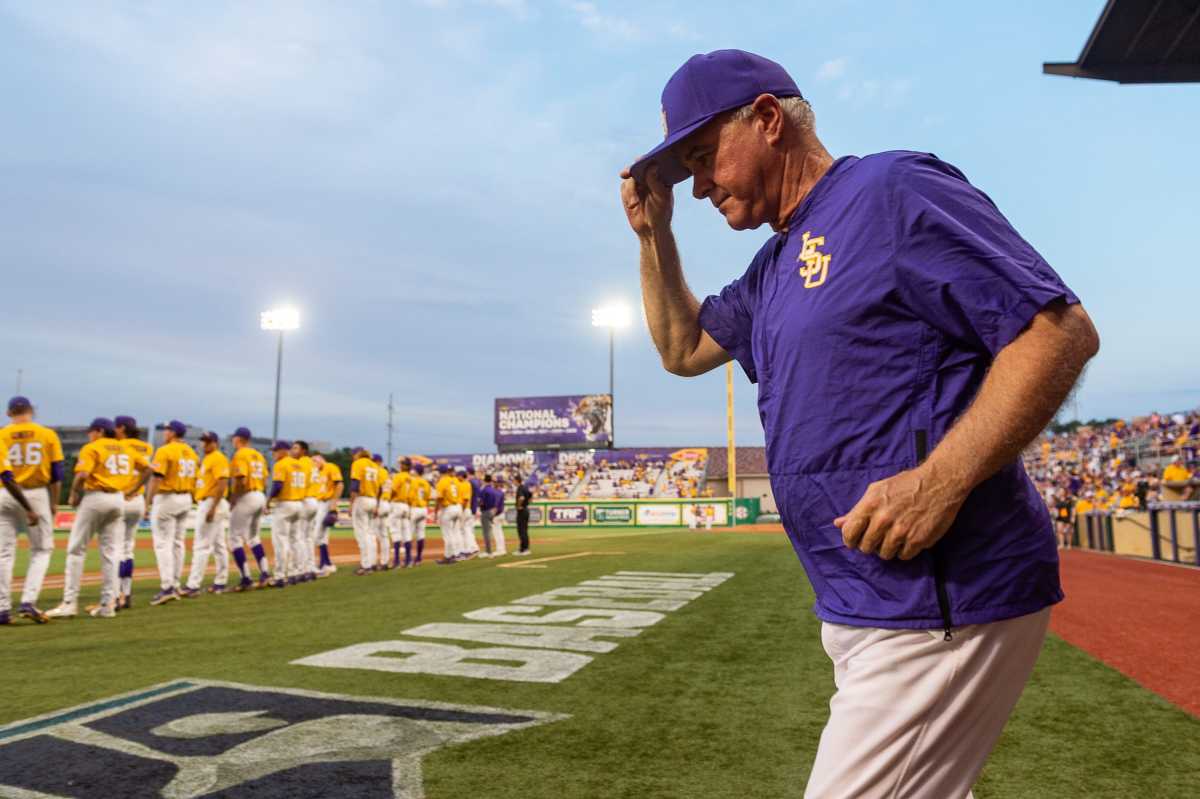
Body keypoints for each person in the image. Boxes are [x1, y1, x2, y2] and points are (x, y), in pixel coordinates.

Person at [620, 49, 1099, 798]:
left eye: (705, 158)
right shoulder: (773, 266)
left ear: (769, 119)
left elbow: (1057, 332)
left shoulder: (887, 191)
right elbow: (682, 347)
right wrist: (655, 235)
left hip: (939, 598)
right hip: (863, 600)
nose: (702, 185)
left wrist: (940, 481)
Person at [47, 419, 127, 619]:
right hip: (118, 498)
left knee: (76, 549)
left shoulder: (92, 447)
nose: (88, 435)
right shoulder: (124, 448)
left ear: (99, 431)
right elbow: (146, 468)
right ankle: (108, 605)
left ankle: (69, 603)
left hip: (96, 497)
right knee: (110, 554)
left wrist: (73, 492)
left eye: (90, 432)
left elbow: (83, 473)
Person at [0, 395, 63, 623]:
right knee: (42, 550)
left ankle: (2, 609)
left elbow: (4, 475)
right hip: (36, 494)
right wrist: (54, 502)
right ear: (31, 411)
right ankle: (28, 602)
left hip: (5, 493)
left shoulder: (1, 434)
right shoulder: (47, 434)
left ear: (9, 413)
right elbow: (57, 474)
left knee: (4, 553)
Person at [145, 420, 199, 606]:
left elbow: (156, 478)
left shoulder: (165, 450)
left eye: (167, 429)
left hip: (167, 498)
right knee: (178, 543)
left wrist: (147, 502)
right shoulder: (191, 452)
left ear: (173, 432)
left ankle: (167, 587)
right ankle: (175, 584)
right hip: (186, 498)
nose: (165, 432)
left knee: (162, 544)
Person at [181, 432, 231, 596]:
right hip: (209, 501)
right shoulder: (207, 459)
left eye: (208, 441)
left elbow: (222, 482)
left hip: (212, 502)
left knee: (201, 545)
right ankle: (220, 582)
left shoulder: (218, 458)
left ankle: (193, 585)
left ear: (215, 443)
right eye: (203, 441)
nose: (205, 444)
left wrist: (212, 507)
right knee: (218, 545)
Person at [113, 415, 152, 609]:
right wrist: (137, 489)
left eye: (116, 427)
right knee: (128, 548)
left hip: (122, 497)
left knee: (116, 549)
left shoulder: (119, 446)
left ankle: (115, 594)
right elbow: (148, 470)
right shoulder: (146, 447)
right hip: (138, 500)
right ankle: (126, 594)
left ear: (122, 428)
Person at [228, 427, 271, 590]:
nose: (233, 440)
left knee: (234, 539)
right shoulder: (258, 455)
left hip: (246, 496)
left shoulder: (240, 454)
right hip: (260, 495)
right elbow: (266, 480)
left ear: (238, 439)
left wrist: (233, 498)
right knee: (253, 537)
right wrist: (264, 501)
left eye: (234, 437)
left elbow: (241, 479)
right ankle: (265, 573)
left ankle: (246, 578)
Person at [267, 440, 306, 587]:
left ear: (284, 450)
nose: (274, 453)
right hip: (299, 504)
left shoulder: (281, 464)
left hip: (285, 504)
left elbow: (277, 485)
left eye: (276, 451)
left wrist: (268, 500)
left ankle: (279, 576)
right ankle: (296, 572)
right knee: (295, 540)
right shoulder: (300, 464)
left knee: (280, 541)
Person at [348, 448, 382, 575]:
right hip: (373, 500)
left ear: (358, 454)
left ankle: (365, 565)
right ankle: (372, 563)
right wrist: (377, 505)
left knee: (361, 534)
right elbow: (381, 488)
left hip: (361, 499)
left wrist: (351, 504)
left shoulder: (358, 463)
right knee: (370, 534)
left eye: (353, 455)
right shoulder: (375, 466)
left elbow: (355, 484)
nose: (352, 457)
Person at [311, 452, 344, 577]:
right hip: (317, 503)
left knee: (315, 534)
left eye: (314, 460)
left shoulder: (330, 466)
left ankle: (312, 566)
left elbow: (340, 484)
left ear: (321, 459)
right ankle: (326, 564)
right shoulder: (315, 473)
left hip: (326, 502)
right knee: (322, 538)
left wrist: (333, 505)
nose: (313, 463)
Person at [434, 464, 462, 564]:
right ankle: (455, 554)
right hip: (458, 507)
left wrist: (437, 511)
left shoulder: (441, 482)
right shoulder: (455, 480)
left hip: (448, 508)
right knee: (454, 532)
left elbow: (439, 498)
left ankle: (448, 557)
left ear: (440, 472)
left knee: (447, 534)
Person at [405, 462, 432, 567]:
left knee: (408, 534)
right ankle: (419, 558)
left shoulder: (413, 481)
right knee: (421, 534)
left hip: (414, 508)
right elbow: (428, 497)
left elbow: (409, 497)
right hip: (423, 509)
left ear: (415, 471)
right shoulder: (426, 483)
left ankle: (409, 560)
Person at [388, 457, 412, 569]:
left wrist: (388, 499)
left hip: (397, 504)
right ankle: (408, 560)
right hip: (406, 505)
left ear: (405, 465)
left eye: (401, 463)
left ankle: (396, 561)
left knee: (395, 531)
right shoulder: (410, 478)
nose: (399, 465)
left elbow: (393, 490)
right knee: (406, 532)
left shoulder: (399, 476)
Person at [373, 454, 393, 571]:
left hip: (379, 503)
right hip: (387, 503)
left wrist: (376, 505)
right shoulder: (386, 473)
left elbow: (378, 488)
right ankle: (385, 562)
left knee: (374, 534)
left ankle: (372, 562)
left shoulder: (377, 471)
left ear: (377, 461)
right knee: (384, 534)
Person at [514, 474, 532, 556]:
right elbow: (530, 495)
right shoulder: (525, 487)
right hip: (526, 510)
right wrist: (528, 502)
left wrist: (519, 506)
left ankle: (525, 549)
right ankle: (523, 548)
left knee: (522, 530)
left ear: (516, 481)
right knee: (523, 530)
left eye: (514, 480)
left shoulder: (520, 488)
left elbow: (521, 498)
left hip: (522, 511)